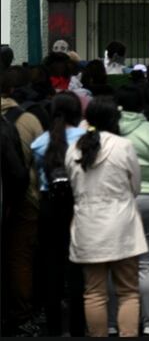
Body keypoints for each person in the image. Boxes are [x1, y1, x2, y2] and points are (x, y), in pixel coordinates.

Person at [65, 98, 147, 338]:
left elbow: (73, 186)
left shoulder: (74, 149)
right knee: (128, 292)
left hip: (87, 226)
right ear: (114, 119)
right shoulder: (124, 146)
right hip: (122, 225)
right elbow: (136, 186)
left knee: (93, 293)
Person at [31, 92, 86, 336]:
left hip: (48, 206)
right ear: (78, 113)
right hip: (78, 205)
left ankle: (52, 326)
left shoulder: (40, 142)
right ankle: (77, 326)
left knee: (51, 267)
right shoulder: (86, 139)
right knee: (77, 267)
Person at [115, 85, 149, 336]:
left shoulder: (109, 131)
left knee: (114, 261)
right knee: (147, 264)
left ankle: (115, 323)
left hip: (117, 200)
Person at [1, 68, 44, 336]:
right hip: (24, 198)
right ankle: (21, 313)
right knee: (20, 258)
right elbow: (40, 160)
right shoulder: (28, 119)